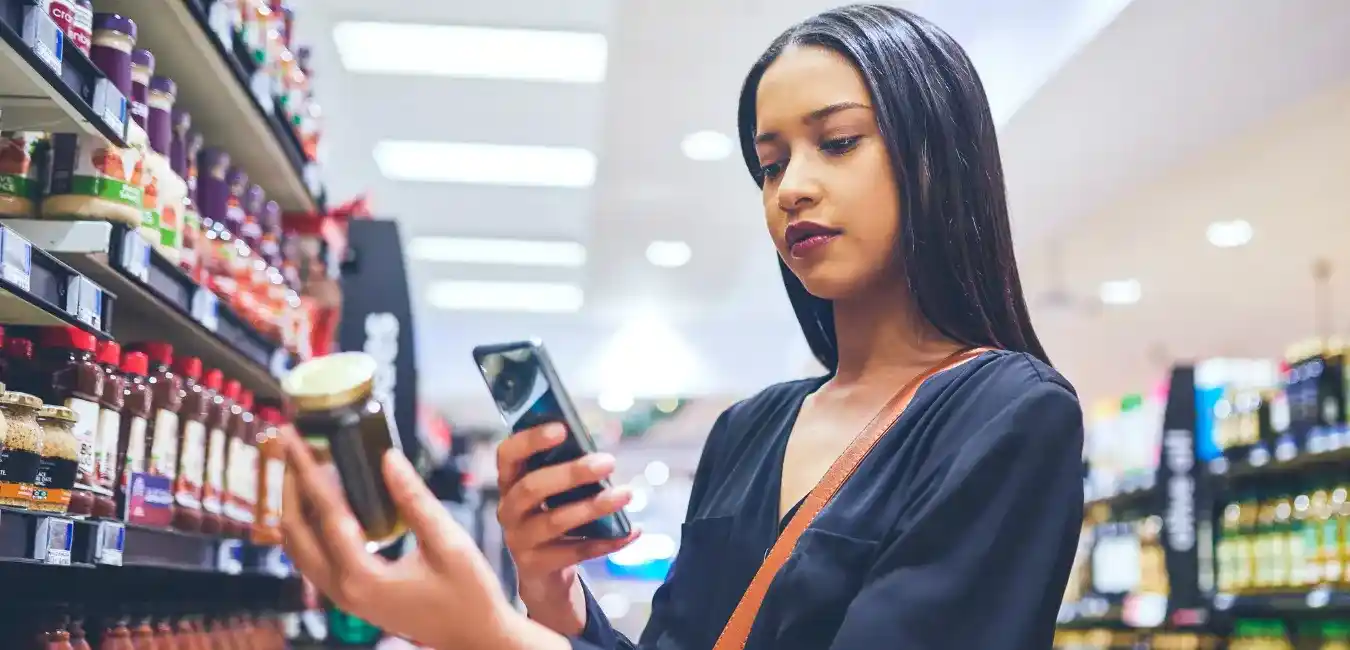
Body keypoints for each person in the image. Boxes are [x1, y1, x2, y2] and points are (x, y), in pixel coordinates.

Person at [280, 4, 1085, 650]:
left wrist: (492, 636)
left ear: (936, 157)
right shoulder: (748, 429)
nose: (791, 189)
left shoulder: (1009, 414)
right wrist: (553, 599)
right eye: (770, 164)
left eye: (837, 143)